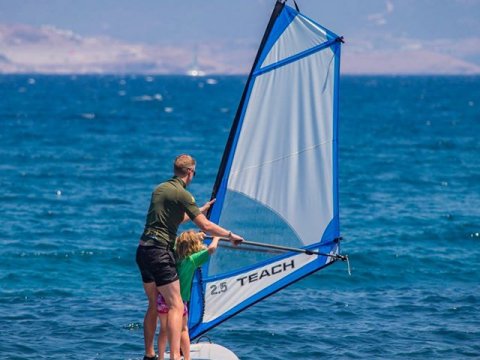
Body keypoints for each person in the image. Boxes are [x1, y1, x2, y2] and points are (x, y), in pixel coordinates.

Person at [135, 154, 243, 360]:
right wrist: (230, 235)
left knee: (152, 304)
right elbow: (206, 226)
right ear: (190, 172)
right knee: (176, 305)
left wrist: (199, 210)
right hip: (160, 252)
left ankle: (149, 354)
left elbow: (172, 220)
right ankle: (176, 356)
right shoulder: (183, 194)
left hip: (143, 251)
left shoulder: (160, 189)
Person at [157, 230, 218, 360]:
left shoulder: (172, 255)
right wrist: (217, 238)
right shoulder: (192, 260)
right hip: (179, 301)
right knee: (183, 329)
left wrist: (196, 236)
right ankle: (187, 358)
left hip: (163, 298)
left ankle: (160, 357)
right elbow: (211, 249)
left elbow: (178, 241)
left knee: (163, 330)